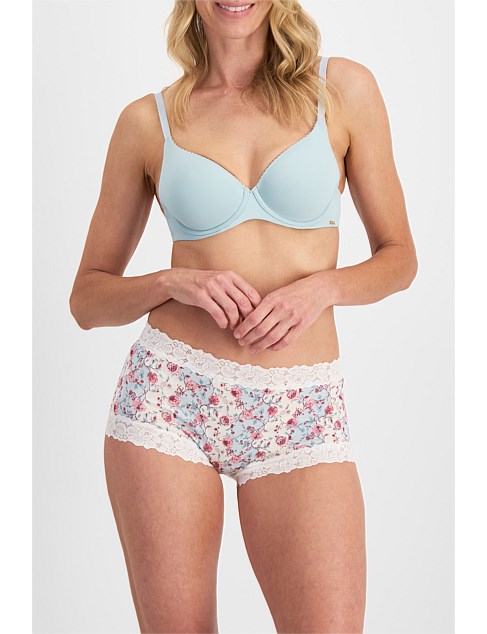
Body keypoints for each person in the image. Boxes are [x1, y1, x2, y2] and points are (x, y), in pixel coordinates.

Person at [69, 1, 417, 632]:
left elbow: (399, 259)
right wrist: (171, 281)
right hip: (171, 399)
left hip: (300, 407)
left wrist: (322, 289)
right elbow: (86, 300)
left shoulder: (341, 89)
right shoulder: (147, 122)